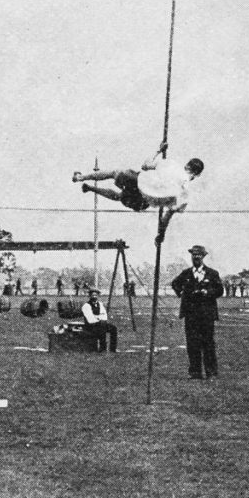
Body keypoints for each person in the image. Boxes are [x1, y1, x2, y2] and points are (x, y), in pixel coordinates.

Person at [73, 142, 203, 236]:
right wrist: (160, 234)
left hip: (138, 181)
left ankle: (81, 177)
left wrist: (158, 151)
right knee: (119, 197)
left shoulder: (171, 164)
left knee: (114, 173)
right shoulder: (185, 196)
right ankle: (90, 188)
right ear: (197, 175)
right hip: (144, 200)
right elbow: (167, 216)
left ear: (187, 165)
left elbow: (145, 165)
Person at [171, 245, 224, 380]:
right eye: (194, 255)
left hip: (207, 314)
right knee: (192, 343)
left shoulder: (212, 274)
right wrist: (182, 292)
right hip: (191, 314)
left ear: (203, 257)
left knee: (208, 343)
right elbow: (175, 284)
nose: (196, 257)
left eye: (199, 255)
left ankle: (211, 372)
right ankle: (195, 372)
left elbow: (220, 290)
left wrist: (208, 292)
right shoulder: (186, 273)